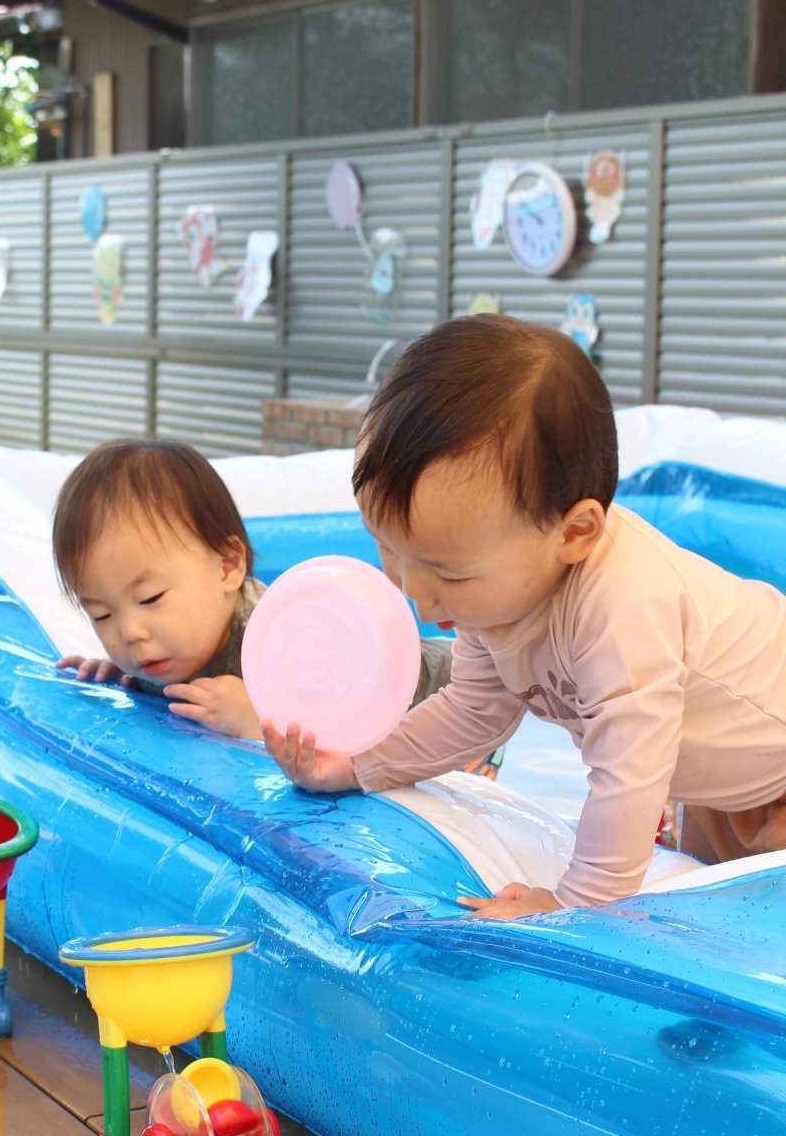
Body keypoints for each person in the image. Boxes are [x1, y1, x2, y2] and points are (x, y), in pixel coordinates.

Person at [262, 313, 786, 919]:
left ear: (576, 532)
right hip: (724, 783)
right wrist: (355, 767)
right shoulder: (497, 597)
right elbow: (472, 712)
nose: (415, 592)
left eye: (449, 573)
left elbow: (629, 776)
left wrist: (574, 907)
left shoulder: (625, 608)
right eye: (388, 550)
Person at [51, 437, 463, 742]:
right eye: (102, 614)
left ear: (228, 565)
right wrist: (128, 678)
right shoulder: (166, 647)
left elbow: (346, 737)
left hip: (450, 693)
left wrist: (258, 719)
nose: (129, 633)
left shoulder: (287, 639)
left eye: (150, 598)